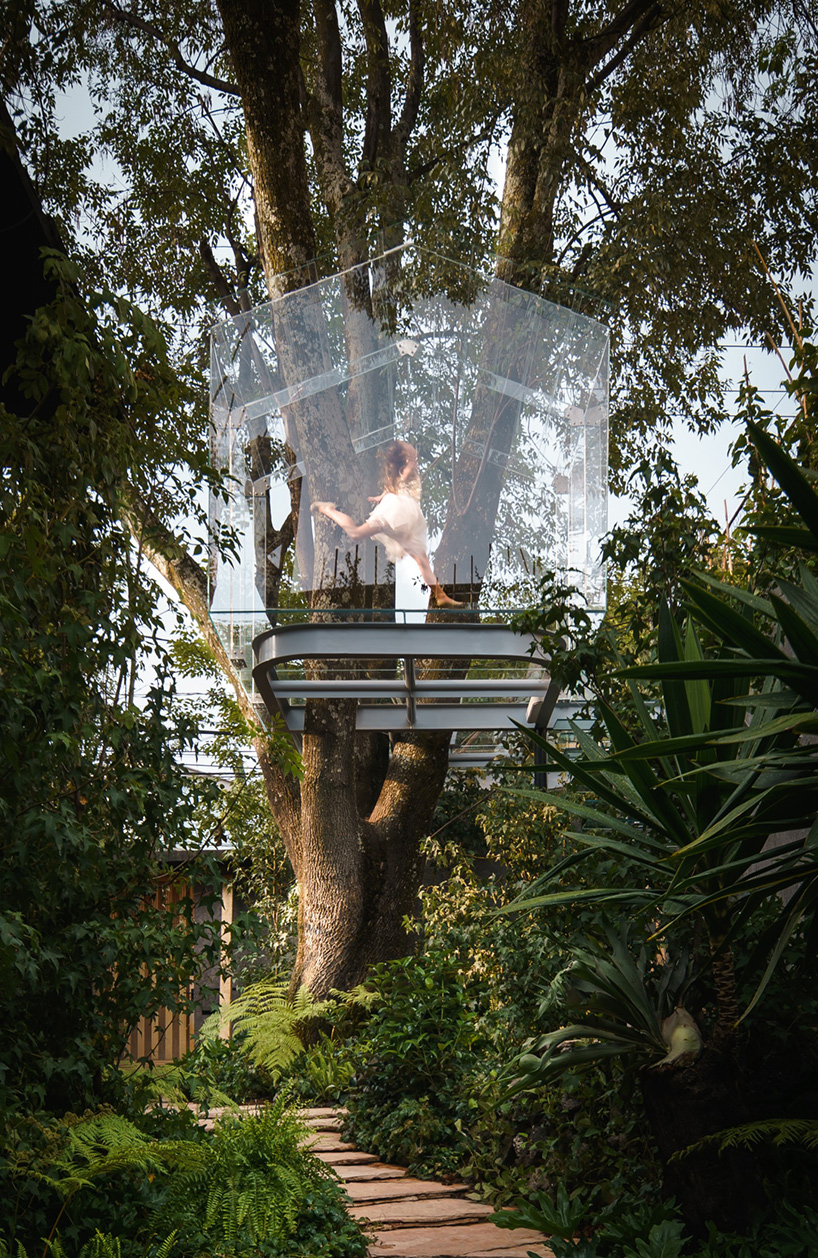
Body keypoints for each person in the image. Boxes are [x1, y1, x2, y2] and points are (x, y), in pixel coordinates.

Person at [311, 440, 463, 607]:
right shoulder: (407, 467)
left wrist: (380, 496)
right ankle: (327, 509)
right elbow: (399, 482)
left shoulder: (402, 471)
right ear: (405, 457)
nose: (415, 456)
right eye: (411, 452)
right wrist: (408, 467)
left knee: (422, 560)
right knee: (356, 533)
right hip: (396, 512)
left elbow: (394, 485)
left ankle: (440, 595)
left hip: (404, 521)